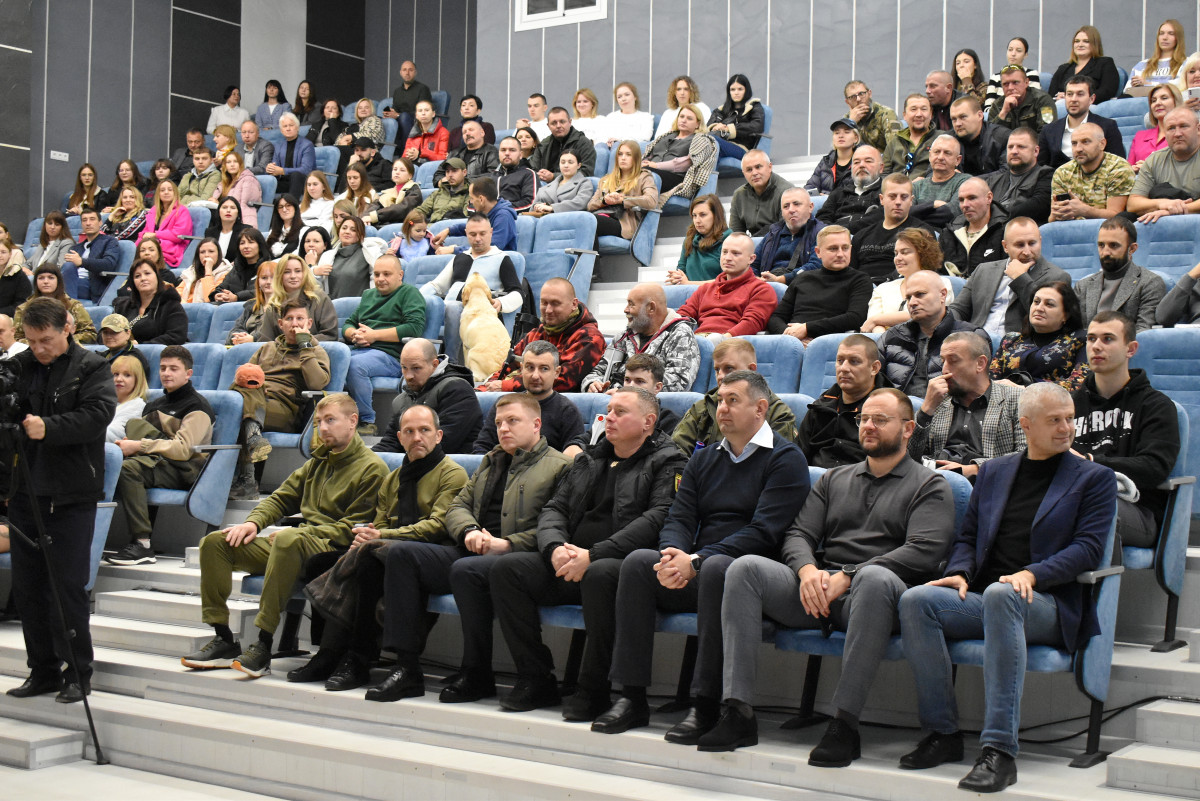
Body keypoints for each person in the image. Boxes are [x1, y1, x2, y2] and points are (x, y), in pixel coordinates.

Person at [710, 388, 954, 756]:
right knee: (745, 569)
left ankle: (844, 724)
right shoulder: (833, 479)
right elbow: (798, 534)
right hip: (821, 591)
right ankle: (737, 712)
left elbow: (924, 550)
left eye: (880, 420)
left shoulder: (930, 484)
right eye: (864, 419)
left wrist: (851, 574)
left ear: (908, 429)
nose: (868, 426)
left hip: (875, 597)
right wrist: (807, 570)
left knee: (873, 579)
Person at [898, 382, 1116, 793]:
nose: (1067, 428)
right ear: (1026, 425)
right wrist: (961, 571)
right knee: (916, 600)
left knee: (1002, 594)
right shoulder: (995, 471)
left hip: (1048, 602)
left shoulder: (1094, 478)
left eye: (1070, 419)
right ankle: (942, 733)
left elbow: (1088, 550)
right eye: (1055, 420)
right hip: (992, 595)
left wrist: (1033, 573)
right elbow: (968, 536)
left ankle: (999, 750)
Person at [590, 371, 809, 740]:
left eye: (733, 401)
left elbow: (765, 532)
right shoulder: (704, 458)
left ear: (760, 408)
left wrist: (697, 560)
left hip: (748, 575)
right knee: (639, 563)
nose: (722, 408)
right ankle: (631, 696)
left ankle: (705, 703)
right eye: (720, 400)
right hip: (698, 566)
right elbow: (679, 516)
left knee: (719, 568)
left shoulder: (786, 458)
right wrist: (672, 554)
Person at [491, 387, 687, 716]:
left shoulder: (669, 461)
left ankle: (594, 690)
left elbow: (657, 519)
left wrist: (593, 555)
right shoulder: (590, 458)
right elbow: (554, 509)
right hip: (571, 561)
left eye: (620, 412)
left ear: (648, 422)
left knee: (600, 574)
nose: (609, 418)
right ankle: (536, 678)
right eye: (608, 411)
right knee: (507, 570)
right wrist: (554, 548)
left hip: (619, 567)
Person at [363, 393, 570, 703]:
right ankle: (406, 668)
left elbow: (557, 524)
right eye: (499, 423)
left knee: (466, 569)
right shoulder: (492, 460)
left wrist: (507, 544)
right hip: (475, 548)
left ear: (536, 424)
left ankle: (476, 670)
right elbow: (458, 507)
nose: (503, 429)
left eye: (512, 421)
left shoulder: (560, 466)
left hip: (520, 556)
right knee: (401, 553)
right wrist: (469, 530)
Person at [183, 393, 388, 677]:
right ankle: (223, 637)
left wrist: (302, 533)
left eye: (330, 420)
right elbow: (280, 499)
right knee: (216, 543)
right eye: (318, 422)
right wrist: (252, 524)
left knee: (289, 539)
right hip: (295, 545)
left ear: (353, 421)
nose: (323, 428)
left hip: (331, 551)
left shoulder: (372, 468)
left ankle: (264, 643)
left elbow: (352, 529)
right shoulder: (317, 462)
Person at [288, 404, 469, 688]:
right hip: (393, 549)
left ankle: (359, 657)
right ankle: (330, 652)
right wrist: (367, 536)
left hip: (437, 552)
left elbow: (438, 526)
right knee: (320, 562)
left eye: (424, 430)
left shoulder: (452, 474)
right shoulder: (392, 479)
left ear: (438, 436)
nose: (417, 437)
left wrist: (380, 535)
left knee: (369, 562)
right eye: (409, 431)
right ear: (399, 437)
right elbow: (380, 523)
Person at [4, 298, 115, 703]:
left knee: (66, 588)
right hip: (25, 490)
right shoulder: (20, 366)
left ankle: (77, 672)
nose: (39, 349)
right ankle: (43, 670)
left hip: (71, 494)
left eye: (46, 340)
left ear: (66, 328)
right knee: (28, 589)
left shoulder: (93, 367)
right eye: (31, 341)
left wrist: (48, 428)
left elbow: (97, 416)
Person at [1073, 311, 1180, 548]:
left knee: (1090, 505)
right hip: (1077, 496)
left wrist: (1090, 461)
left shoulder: (1156, 406)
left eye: (1107, 339)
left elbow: (1154, 467)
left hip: (1138, 510)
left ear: (1130, 349)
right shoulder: (1070, 404)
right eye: (1091, 339)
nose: (1096, 346)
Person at [107, 345, 212, 566]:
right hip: (156, 462)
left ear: (188, 373)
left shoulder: (197, 406)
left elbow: (183, 450)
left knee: (128, 469)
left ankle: (143, 545)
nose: (166, 373)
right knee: (112, 458)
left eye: (173, 368)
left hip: (184, 470)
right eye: (163, 368)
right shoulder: (155, 404)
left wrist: (139, 445)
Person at [227, 300, 332, 499]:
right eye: (289, 319)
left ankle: (248, 479)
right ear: (281, 323)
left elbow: (317, 384)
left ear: (309, 323)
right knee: (241, 392)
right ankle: (252, 451)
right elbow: (245, 377)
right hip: (257, 402)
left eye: (300, 319)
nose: (295, 324)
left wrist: (305, 346)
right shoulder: (267, 348)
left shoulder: (316, 351)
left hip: (285, 410)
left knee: (244, 402)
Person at [908, 330, 1026, 480]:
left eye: (953, 361)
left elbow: (1027, 453)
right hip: (936, 483)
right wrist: (926, 410)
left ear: (980, 363)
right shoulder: (937, 401)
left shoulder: (1016, 399)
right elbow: (908, 457)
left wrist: (975, 469)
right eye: (943, 361)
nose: (944, 370)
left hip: (989, 483)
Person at [421, 214, 523, 363]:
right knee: (431, 303)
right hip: (449, 310)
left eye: (482, 234)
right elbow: (436, 285)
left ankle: (451, 362)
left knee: (453, 307)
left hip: (480, 314)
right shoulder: (460, 257)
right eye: (473, 234)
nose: (478, 239)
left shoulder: (501, 259)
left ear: (491, 232)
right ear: (466, 234)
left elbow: (518, 293)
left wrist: (501, 303)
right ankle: (424, 359)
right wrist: (414, 297)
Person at [341, 255, 426, 433]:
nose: (380, 279)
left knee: (355, 365)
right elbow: (348, 324)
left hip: (391, 356)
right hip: (361, 349)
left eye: (386, 274)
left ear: (400, 275)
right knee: (332, 360)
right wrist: (354, 333)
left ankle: (366, 422)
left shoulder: (410, 293)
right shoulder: (368, 295)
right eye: (377, 274)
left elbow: (414, 328)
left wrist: (374, 336)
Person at [672, 337, 798, 455]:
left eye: (729, 368)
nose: (720, 376)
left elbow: (778, 461)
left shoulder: (778, 413)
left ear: (751, 369)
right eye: (717, 370)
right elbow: (677, 455)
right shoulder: (702, 408)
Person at [950, 217, 1071, 338]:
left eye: (1032, 243)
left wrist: (1020, 278)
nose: (1027, 252)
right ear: (1005, 246)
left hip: (1018, 343)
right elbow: (959, 309)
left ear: (1040, 241)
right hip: (975, 338)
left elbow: (1047, 317)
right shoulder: (983, 270)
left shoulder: (1057, 277)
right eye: (1020, 245)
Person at [480, 277, 605, 393]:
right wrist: (485, 389)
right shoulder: (537, 333)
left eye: (555, 303)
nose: (548, 310)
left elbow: (562, 380)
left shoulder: (590, 338)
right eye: (544, 303)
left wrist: (505, 386)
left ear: (574, 304)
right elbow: (507, 367)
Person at [880, 271, 989, 396]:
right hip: (898, 406)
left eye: (920, 294)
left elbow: (979, 390)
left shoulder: (972, 336)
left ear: (943, 295)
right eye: (908, 298)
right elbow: (875, 384)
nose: (912, 303)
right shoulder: (892, 336)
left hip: (950, 406)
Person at [582, 283, 700, 394]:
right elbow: (598, 371)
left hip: (654, 407)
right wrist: (592, 384)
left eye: (631, 304)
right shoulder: (623, 337)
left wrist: (624, 393)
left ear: (651, 308)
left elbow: (678, 383)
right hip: (609, 402)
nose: (625, 309)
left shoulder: (680, 334)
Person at [373, 338, 481, 454]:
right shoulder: (403, 400)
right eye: (404, 368)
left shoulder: (457, 390)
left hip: (455, 463)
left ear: (435, 364)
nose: (408, 376)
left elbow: (443, 443)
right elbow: (390, 443)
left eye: (416, 368)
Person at [796, 334, 890, 467]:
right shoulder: (820, 406)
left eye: (854, 361)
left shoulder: (888, 410)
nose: (844, 368)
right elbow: (797, 458)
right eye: (840, 361)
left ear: (874, 368)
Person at [473, 344, 585, 454]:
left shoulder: (567, 410)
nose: (535, 376)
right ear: (521, 369)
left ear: (556, 372)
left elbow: (573, 456)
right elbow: (482, 447)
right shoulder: (505, 404)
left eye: (544, 369)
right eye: (530, 367)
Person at [768, 225, 871, 342]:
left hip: (833, 343)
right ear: (818, 252)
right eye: (833, 249)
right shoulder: (802, 278)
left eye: (845, 248)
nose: (840, 254)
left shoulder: (860, 280)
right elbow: (776, 318)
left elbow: (855, 318)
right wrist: (792, 336)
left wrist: (807, 329)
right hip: (793, 342)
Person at [677, 233, 777, 339]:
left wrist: (724, 339)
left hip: (731, 343)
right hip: (699, 340)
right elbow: (684, 314)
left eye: (735, 253)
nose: (727, 258)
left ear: (751, 259)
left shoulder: (761, 290)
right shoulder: (705, 289)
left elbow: (752, 322)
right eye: (724, 252)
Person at [1074, 218, 1165, 332]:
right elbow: (1076, 331)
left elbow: (1144, 332)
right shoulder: (1083, 286)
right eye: (1101, 245)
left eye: (1113, 245)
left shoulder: (1150, 283)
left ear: (1132, 249)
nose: (1105, 252)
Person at [992, 284, 1089, 389]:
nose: (1039, 308)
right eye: (1036, 302)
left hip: (1050, 398)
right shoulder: (1010, 339)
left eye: (1049, 304)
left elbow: (1078, 384)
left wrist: (1026, 388)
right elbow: (991, 378)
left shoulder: (1081, 340)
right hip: (1004, 396)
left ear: (1066, 314)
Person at [862, 227, 955, 333]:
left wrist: (877, 319)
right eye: (896, 253)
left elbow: (927, 314)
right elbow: (871, 324)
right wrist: (884, 337)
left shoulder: (941, 283)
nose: (898, 258)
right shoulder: (882, 289)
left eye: (905, 252)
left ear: (923, 254)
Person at [850, 173, 934, 283]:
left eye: (904, 197)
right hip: (862, 287)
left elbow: (924, 271)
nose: (898, 202)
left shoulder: (922, 232)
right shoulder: (861, 235)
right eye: (892, 196)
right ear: (881, 199)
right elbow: (850, 273)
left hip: (901, 286)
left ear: (911, 201)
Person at [1048, 123, 1135, 221]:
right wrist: (1057, 215)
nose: (1078, 149)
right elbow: (1052, 220)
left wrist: (1085, 211)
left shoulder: (1118, 168)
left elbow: (1117, 216)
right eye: (1074, 143)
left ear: (1102, 144)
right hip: (1072, 228)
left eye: (1085, 142)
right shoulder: (1062, 172)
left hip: (1108, 228)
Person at [1126, 107, 1200, 223]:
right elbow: (1133, 204)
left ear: (1198, 129)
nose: (1177, 133)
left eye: (1184, 126)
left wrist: (1174, 211)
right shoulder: (1154, 160)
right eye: (1171, 128)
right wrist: (1162, 203)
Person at [1037, 76, 1126, 170]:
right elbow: (1041, 166)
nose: (1073, 99)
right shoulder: (1049, 130)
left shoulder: (1107, 126)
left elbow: (1118, 165)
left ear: (1091, 99)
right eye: (1070, 94)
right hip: (1056, 177)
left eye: (1080, 94)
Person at [642, 105, 718, 207]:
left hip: (676, 178)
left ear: (698, 124)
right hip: (651, 170)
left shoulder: (701, 139)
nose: (684, 120)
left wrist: (656, 165)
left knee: (646, 173)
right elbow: (649, 155)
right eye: (681, 116)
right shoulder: (666, 136)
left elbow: (687, 163)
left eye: (689, 118)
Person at [587, 140, 658, 243]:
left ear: (636, 158)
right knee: (584, 222)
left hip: (624, 222)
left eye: (628, 154)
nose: (623, 158)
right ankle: (589, 254)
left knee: (588, 222)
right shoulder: (606, 179)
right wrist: (604, 201)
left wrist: (623, 200)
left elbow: (651, 201)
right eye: (620, 154)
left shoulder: (644, 177)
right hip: (602, 215)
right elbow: (590, 205)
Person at [257, 253, 338, 342]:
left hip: (316, 349)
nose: (293, 276)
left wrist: (304, 339)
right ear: (280, 275)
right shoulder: (273, 306)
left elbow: (330, 335)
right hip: (282, 350)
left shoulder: (320, 298)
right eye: (287, 272)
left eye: (298, 271)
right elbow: (265, 341)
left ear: (304, 273)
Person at [938, 177, 1008, 278]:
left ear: (989, 198)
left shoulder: (1005, 231)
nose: (965, 205)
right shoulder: (948, 233)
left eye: (972, 198)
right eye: (961, 200)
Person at [753, 187, 824, 283]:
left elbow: (816, 265)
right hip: (766, 284)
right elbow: (752, 264)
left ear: (810, 207)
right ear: (782, 212)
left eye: (796, 204)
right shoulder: (773, 233)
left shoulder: (822, 233)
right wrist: (755, 279)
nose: (791, 210)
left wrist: (781, 280)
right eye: (786, 206)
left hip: (802, 285)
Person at [984, 126, 1053, 224]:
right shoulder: (992, 181)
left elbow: (1038, 205)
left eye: (1021, 147)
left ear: (1036, 151)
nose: (1014, 151)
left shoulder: (1047, 175)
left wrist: (998, 216)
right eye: (1010, 147)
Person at [13, 265, 97, 345]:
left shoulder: (73, 305)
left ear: (58, 281)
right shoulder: (24, 308)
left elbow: (90, 334)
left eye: (51, 278)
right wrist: (40, 342)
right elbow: (16, 338)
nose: (46, 281)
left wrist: (61, 339)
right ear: (36, 282)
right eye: (41, 278)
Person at [111, 259, 187, 346]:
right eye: (137, 276)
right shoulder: (122, 306)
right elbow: (104, 334)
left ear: (157, 277)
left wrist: (141, 345)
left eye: (147, 273)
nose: (143, 278)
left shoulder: (171, 305)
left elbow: (176, 336)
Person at [433, 176, 518, 253]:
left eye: (472, 198)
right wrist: (449, 230)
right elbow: (475, 228)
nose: (470, 202)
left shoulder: (504, 216)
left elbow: (490, 248)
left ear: (481, 199)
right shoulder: (488, 212)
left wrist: (454, 250)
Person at [315, 215, 388, 300]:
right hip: (332, 305)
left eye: (353, 230)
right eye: (344, 228)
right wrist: (314, 272)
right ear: (338, 231)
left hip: (361, 305)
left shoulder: (370, 253)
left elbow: (377, 280)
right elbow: (318, 287)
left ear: (361, 235)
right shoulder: (327, 256)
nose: (347, 232)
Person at [666, 194, 731, 284]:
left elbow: (726, 281)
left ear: (716, 216)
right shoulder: (690, 238)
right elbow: (681, 269)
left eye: (703, 215)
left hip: (716, 292)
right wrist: (676, 277)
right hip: (689, 290)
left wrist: (688, 283)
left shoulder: (730, 240)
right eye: (694, 215)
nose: (697, 220)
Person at [816, 145, 884, 230]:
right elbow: (821, 220)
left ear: (881, 168)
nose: (861, 165)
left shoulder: (886, 192)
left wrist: (843, 230)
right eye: (856, 162)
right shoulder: (838, 193)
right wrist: (835, 233)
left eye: (868, 161)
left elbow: (879, 220)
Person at [1047, 25, 1121, 103]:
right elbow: (1050, 96)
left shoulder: (1105, 63)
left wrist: (1074, 98)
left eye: (1086, 41)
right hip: (1062, 106)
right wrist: (1057, 98)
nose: (1080, 45)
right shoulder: (1063, 68)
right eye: (1077, 41)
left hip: (1091, 106)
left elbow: (1107, 92)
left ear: (1095, 44)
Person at [728, 150, 793, 235]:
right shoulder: (739, 195)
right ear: (744, 173)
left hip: (777, 240)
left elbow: (785, 232)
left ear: (770, 167)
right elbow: (735, 233)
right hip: (752, 242)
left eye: (758, 167)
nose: (754, 173)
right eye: (749, 170)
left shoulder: (786, 192)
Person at [62, 207, 119, 302]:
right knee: (47, 281)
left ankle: (70, 305)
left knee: (54, 285)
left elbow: (109, 264)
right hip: (73, 282)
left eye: (92, 219)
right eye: (84, 220)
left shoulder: (109, 242)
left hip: (92, 286)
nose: (88, 223)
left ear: (100, 222)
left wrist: (82, 262)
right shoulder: (76, 248)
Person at [528, 107, 597, 183]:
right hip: (545, 185)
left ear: (570, 122)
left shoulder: (583, 143)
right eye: (554, 123)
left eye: (562, 122)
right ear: (548, 126)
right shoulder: (543, 145)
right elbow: (532, 169)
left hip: (574, 186)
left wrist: (554, 177)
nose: (558, 126)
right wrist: (540, 175)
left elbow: (586, 173)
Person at [705, 74, 764, 161]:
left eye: (740, 89)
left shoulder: (754, 106)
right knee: (704, 144)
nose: (736, 92)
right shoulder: (720, 110)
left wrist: (728, 128)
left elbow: (757, 126)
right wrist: (715, 127)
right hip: (719, 143)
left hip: (741, 149)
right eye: (733, 89)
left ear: (746, 90)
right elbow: (708, 127)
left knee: (710, 142)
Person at [1129, 84, 1184, 172]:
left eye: (1164, 98)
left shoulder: (1185, 134)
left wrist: (1150, 168)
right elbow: (1128, 168)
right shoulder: (1140, 136)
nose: (1157, 103)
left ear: (1176, 102)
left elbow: (1187, 168)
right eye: (1153, 101)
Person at [949, 96, 1009, 176]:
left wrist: (967, 180)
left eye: (963, 117)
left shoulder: (1002, 138)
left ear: (980, 115)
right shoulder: (947, 141)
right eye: (954, 119)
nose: (958, 124)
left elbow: (1007, 173)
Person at [989, 65, 1057, 134]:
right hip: (1007, 141)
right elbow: (990, 136)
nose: (1010, 88)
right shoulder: (997, 105)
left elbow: (1048, 133)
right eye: (1005, 84)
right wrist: (1004, 112)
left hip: (1035, 140)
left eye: (1015, 82)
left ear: (1026, 82)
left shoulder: (1042, 100)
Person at [138, 180, 192, 269]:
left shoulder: (182, 211)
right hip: (148, 251)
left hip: (168, 253)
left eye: (170, 190)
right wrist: (136, 247)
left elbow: (178, 235)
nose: (166, 192)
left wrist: (155, 235)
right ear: (158, 194)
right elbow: (145, 232)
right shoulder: (153, 210)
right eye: (162, 190)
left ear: (175, 193)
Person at [882, 94, 936, 178]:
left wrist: (925, 182)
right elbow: (884, 173)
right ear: (904, 115)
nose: (919, 114)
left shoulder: (941, 139)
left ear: (931, 114)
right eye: (913, 109)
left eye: (924, 109)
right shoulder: (894, 142)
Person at [1126, 19, 1187, 92]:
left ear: (1178, 38)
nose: (1165, 38)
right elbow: (1127, 91)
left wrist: (1148, 84)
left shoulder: (1186, 63)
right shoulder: (1141, 65)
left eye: (1171, 33)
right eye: (1161, 33)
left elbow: (1181, 86)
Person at [912, 135, 969, 213]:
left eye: (947, 153)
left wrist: (919, 210)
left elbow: (952, 212)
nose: (940, 157)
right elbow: (906, 213)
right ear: (930, 156)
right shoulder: (917, 186)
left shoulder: (965, 183)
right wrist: (934, 204)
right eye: (937, 152)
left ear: (958, 160)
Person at [984, 37, 1042, 112]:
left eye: (1018, 51)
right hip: (1000, 116)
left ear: (1025, 54)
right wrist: (1004, 110)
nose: (1013, 54)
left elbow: (1035, 102)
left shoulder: (1032, 74)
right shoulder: (995, 77)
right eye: (1010, 50)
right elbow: (987, 109)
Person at [433, 120, 499, 186]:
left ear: (482, 133)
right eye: (464, 132)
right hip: (454, 190)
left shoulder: (491, 152)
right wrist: (441, 181)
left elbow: (493, 175)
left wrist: (462, 181)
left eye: (471, 130)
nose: (467, 134)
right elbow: (438, 175)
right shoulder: (455, 153)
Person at [212, 229, 268, 304]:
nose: (246, 246)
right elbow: (221, 287)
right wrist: (217, 295)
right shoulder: (236, 268)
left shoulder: (268, 267)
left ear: (260, 245)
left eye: (251, 242)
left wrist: (237, 297)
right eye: (242, 243)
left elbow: (264, 291)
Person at [265, 113, 316, 196]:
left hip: (303, 182)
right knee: (264, 181)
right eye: (285, 126)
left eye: (291, 125)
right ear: (281, 130)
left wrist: (283, 171)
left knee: (296, 175)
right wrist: (271, 169)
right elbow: (275, 166)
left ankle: (292, 203)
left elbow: (305, 170)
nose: (288, 129)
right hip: (285, 182)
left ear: (297, 128)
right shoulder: (278, 145)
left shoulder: (307, 145)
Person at [806, 118, 860, 195]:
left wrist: (830, 199)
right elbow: (810, 188)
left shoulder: (862, 162)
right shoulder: (825, 162)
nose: (841, 136)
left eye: (846, 132)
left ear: (856, 138)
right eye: (837, 133)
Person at [527, 151, 591, 216]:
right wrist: (537, 206)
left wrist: (552, 207)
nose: (566, 165)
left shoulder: (584, 183)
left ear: (578, 165)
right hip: (542, 218)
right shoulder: (546, 187)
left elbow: (580, 203)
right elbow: (533, 208)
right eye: (563, 162)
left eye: (570, 162)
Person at [364, 158, 423, 227]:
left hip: (405, 225)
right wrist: (365, 217)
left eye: (402, 170)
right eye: (395, 169)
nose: (397, 172)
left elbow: (401, 209)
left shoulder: (414, 190)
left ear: (410, 176)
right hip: (385, 224)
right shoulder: (388, 192)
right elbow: (374, 206)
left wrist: (375, 216)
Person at [227, 261, 275, 346]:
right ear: (258, 282)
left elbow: (277, 333)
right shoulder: (251, 305)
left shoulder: (285, 306)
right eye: (264, 278)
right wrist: (240, 337)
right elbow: (236, 329)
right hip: (244, 347)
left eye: (273, 278)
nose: (268, 282)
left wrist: (253, 339)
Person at [842, 80, 897, 152]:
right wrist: (851, 123)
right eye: (853, 97)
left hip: (882, 158)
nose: (858, 99)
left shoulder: (886, 114)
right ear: (847, 102)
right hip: (857, 158)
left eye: (861, 94)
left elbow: (895, 148)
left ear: (869, 93)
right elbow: (841, 151)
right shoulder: (847, 119)